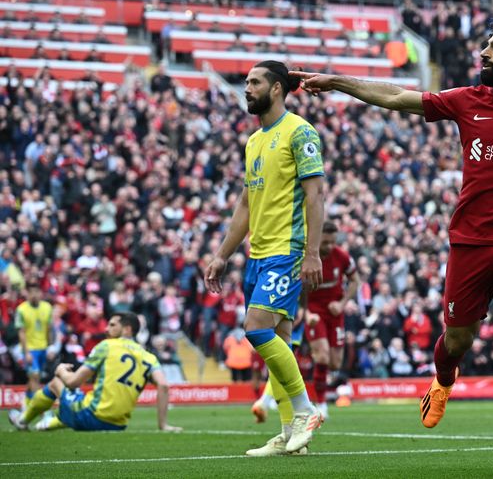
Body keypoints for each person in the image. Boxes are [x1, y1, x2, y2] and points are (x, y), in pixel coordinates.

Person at [291, 10, 493, 471]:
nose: (484, 53)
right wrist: (339, 82)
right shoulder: (468, 100)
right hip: (469, 243)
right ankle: (443, 379)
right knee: (458, 340)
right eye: (486, 45)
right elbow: (394, 95)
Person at [204, 60, 325, 456]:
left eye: (255, 81)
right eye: (246, 82)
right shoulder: (254, 141)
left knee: (256, 329)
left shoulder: (300, 131)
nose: (247, 88)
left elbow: (315, 196)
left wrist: (311, 253)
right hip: (258, 255)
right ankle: (290, 433)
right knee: (281, 342)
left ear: (276, 89)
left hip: (287, 251)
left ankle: (306, 411)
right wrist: (222, 255)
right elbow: (245, 204)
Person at [8, 312, 181, 432]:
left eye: (113, 325)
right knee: (77, 399)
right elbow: (164, 385)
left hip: (92, 416)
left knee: (56, 384)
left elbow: (73, 382)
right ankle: (45, 425)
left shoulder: (107, 345)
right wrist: (163, 425)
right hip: (118, 425)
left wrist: (60, 371)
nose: (106, 329)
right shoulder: (149, 357)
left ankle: (22, 421)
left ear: (127, 329)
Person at [303, 220, 360, 419]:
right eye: (325, 242)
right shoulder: (306, 257)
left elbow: (355, 280)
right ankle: (321, 405)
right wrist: (306, 313)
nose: (328, 246)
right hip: (314, 312)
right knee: (323, 357)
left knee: (335, 364)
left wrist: (343, 303)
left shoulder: (341, 256)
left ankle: (316, 362)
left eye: (332, 242)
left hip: (335, 313)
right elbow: (296, 288)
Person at [14, 282, 53, 407]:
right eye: (31, 292)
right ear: (27, 294)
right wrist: (26, 352)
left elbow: (49, 328)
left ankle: (25, 404)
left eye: (36, 292)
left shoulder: (47, 307)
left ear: (40, 293)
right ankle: (42, 409)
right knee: (35, 376)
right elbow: (21, 332)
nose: (34, 295)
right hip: (30, 350)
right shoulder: (21, 310)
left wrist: (50, 347)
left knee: (34, 379)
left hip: (43, 348)